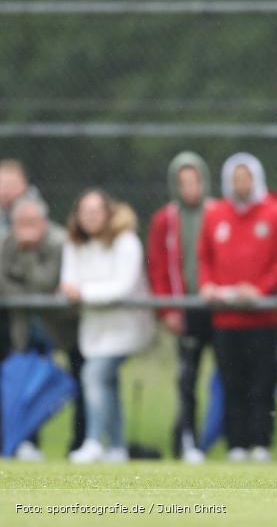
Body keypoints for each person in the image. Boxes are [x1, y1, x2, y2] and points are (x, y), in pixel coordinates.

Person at [198, 153, 277, 463]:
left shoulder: (276, 213)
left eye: (245, 177)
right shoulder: (215, 214)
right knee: (230, 382)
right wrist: (208, 285)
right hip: (227, 319)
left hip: (263, 318)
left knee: (262, 383)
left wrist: (260, 291)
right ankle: (235, 443)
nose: (240, 184)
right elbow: (204, 257)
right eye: (235, 178)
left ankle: (260, 442)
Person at [62, 190, 154, 464]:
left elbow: (121, 288)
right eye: (84, 211)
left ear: (108, 213)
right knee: (107, 383)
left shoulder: (126, 242)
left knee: (93, 375)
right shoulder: (74, 244)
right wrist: (83, 292)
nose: (90, 216)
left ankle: (93, 442)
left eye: (95, 210)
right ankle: (117, 447)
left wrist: (85, 293)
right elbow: (69, 284)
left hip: (127, 329)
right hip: (93, 331)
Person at [0, 197, 83, 460]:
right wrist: (26, 292)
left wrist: (27, 254)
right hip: (23, 328)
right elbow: (3, 285)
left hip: (61, 327)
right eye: (20, 223)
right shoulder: (6, 243)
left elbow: (46, 283)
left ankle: (81, 443)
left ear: (43, 222)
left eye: (31, 223)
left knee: (77, 384)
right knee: (21, 387)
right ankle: (23, 442)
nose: (24, 229)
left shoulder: (59, 242)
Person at [147, 151, 215, 463]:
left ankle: (243, 440)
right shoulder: (165, 219)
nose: (190, 188)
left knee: (231, 375)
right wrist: (168, 309)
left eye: (195, 181)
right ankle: (187, 438)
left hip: (217, 306)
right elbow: (158, 267)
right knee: (187, 378)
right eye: (183, 182)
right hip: (184, 307)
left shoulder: (217, 212)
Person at [0, 160, 42, 242]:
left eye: (11, 184)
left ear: (24, 185)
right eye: (2, 184)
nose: (6, 190)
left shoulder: (36, 212)